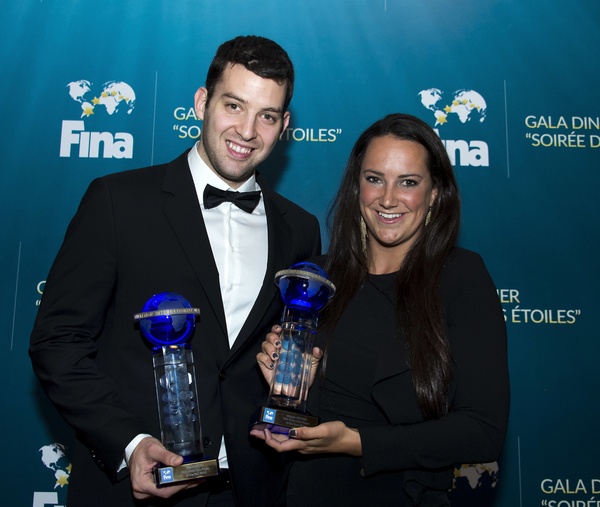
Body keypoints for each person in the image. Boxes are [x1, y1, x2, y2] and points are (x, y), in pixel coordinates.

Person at [29, 35, 321, 507]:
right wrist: (129, 444)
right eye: (233, 105)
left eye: (266, 115)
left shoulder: (300, 230)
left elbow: (279, 357)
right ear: (202, 102)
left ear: (284, 124)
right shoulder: (117, 202)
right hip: (138, 489)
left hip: (252, 489)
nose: (247, 130)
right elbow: (57, 342)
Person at [252, 113, 510, 506]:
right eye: (374, 178)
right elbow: (314, 412)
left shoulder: (460, 276)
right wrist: (287, 391)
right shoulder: (318, 277)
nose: (388, 198)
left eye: (408, 182)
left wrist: (357, 443)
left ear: (435, 193)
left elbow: (483, 430)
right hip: (306, 494)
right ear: (357, 187)